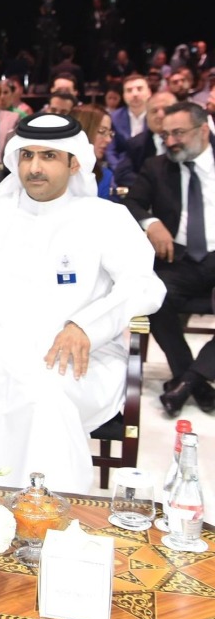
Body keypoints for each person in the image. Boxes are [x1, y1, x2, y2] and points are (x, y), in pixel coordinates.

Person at [0, 115, 165, 494]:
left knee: (42, 399)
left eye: (49, 156)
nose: (34, 167)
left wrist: (87, 325)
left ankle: (45, 524)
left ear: (74, 162)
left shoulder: (105, 218)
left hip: (74, 354)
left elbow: (144, 285)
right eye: (26, 155)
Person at [125, 101, 215, 415]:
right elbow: (132, 203)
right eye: (166, 135)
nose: (171, 141)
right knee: (153, 294)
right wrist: (152, 223)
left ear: (203, 130)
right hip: (179, 260)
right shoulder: (156, 166)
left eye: (179, 133)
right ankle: (195, 380)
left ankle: (188, 381)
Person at [114, 91, 177, 189]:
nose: (160, 115)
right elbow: (122, 174)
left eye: (167, 109)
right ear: (147, 117)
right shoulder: (136, 144)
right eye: (154, 111)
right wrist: (153, 184)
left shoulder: (190, 139)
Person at [107, 74, 151, 173]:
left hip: (151, 171)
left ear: (149, 92)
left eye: (139, 89)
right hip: (120, 170)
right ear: (124, 95)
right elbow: (110, 151)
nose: (135, 94)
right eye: (129, 90)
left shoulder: (157, 118)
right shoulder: (113, 118)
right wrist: (120, 171)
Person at [74, 105, 117, 201]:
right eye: (102, 131)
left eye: (110, 133)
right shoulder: (54, 169)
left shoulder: (105, 176)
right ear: (83, 130)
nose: (108, 140)